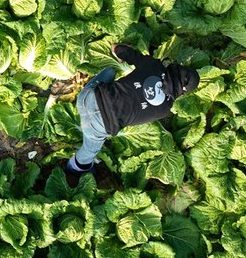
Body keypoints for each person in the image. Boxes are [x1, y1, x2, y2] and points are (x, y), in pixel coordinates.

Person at [63, 44, 200, 181]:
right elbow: (137, 115)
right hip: (100, 126)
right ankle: (74, 169)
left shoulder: (154, 65)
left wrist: (117, 50)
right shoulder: (165, 109)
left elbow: (127, 52)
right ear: (182, 92)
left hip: (86, 99)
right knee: (89, 151)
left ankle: (87, 91)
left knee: (110, 71)